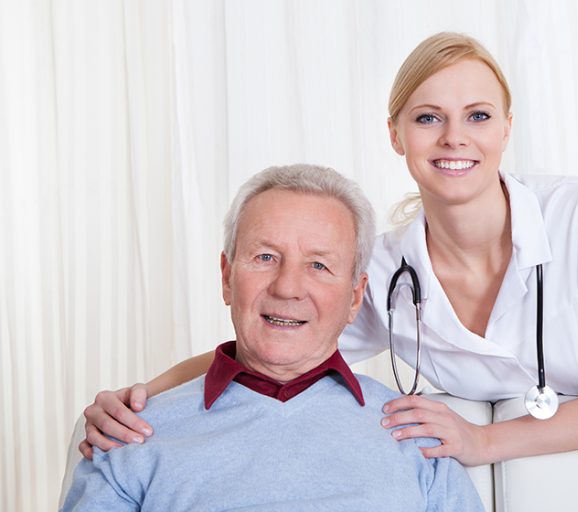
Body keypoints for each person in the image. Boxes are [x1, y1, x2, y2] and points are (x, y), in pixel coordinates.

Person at [79, 32, 578, 468]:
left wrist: (482, 441)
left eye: (476, 116)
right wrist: (140, 395)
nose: (453, 138)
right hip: (549, 459)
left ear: (505, 128)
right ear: (395, 135)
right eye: (426, 117)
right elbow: (271, 345)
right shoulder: (383, 267)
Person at [61, 164, 483, 511]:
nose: (287, 287)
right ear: (227, 278)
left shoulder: (417, 437)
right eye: (265, 257)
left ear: (355, 296)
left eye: (318, 265)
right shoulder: (129, 435)